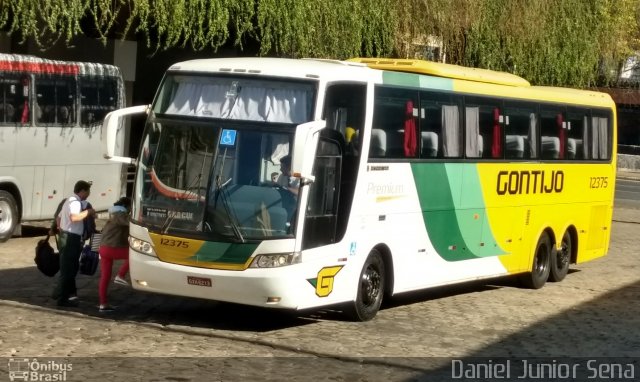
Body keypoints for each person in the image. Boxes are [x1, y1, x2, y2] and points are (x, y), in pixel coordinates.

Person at [52, 180, 96, 307]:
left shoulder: (68, 201)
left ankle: (62, 293)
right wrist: (89, 212)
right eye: (88, 191)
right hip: (71, 238)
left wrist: (61, 228)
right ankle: (61, 297)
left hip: (66, 235)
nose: (88, 194)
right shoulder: (75, 202)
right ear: (82, 191)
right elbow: (75, 217)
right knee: (69, 269)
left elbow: (59, 217)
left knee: (68, 267)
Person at [97, 196, 131, 313]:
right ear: (126, 207)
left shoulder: (113, 214)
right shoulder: (120, 214)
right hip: (112, 247)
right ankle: (120, 275)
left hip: (103, 248)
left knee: (105, 277)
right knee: (134, 255)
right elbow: (131, 223)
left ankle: (103, 304)